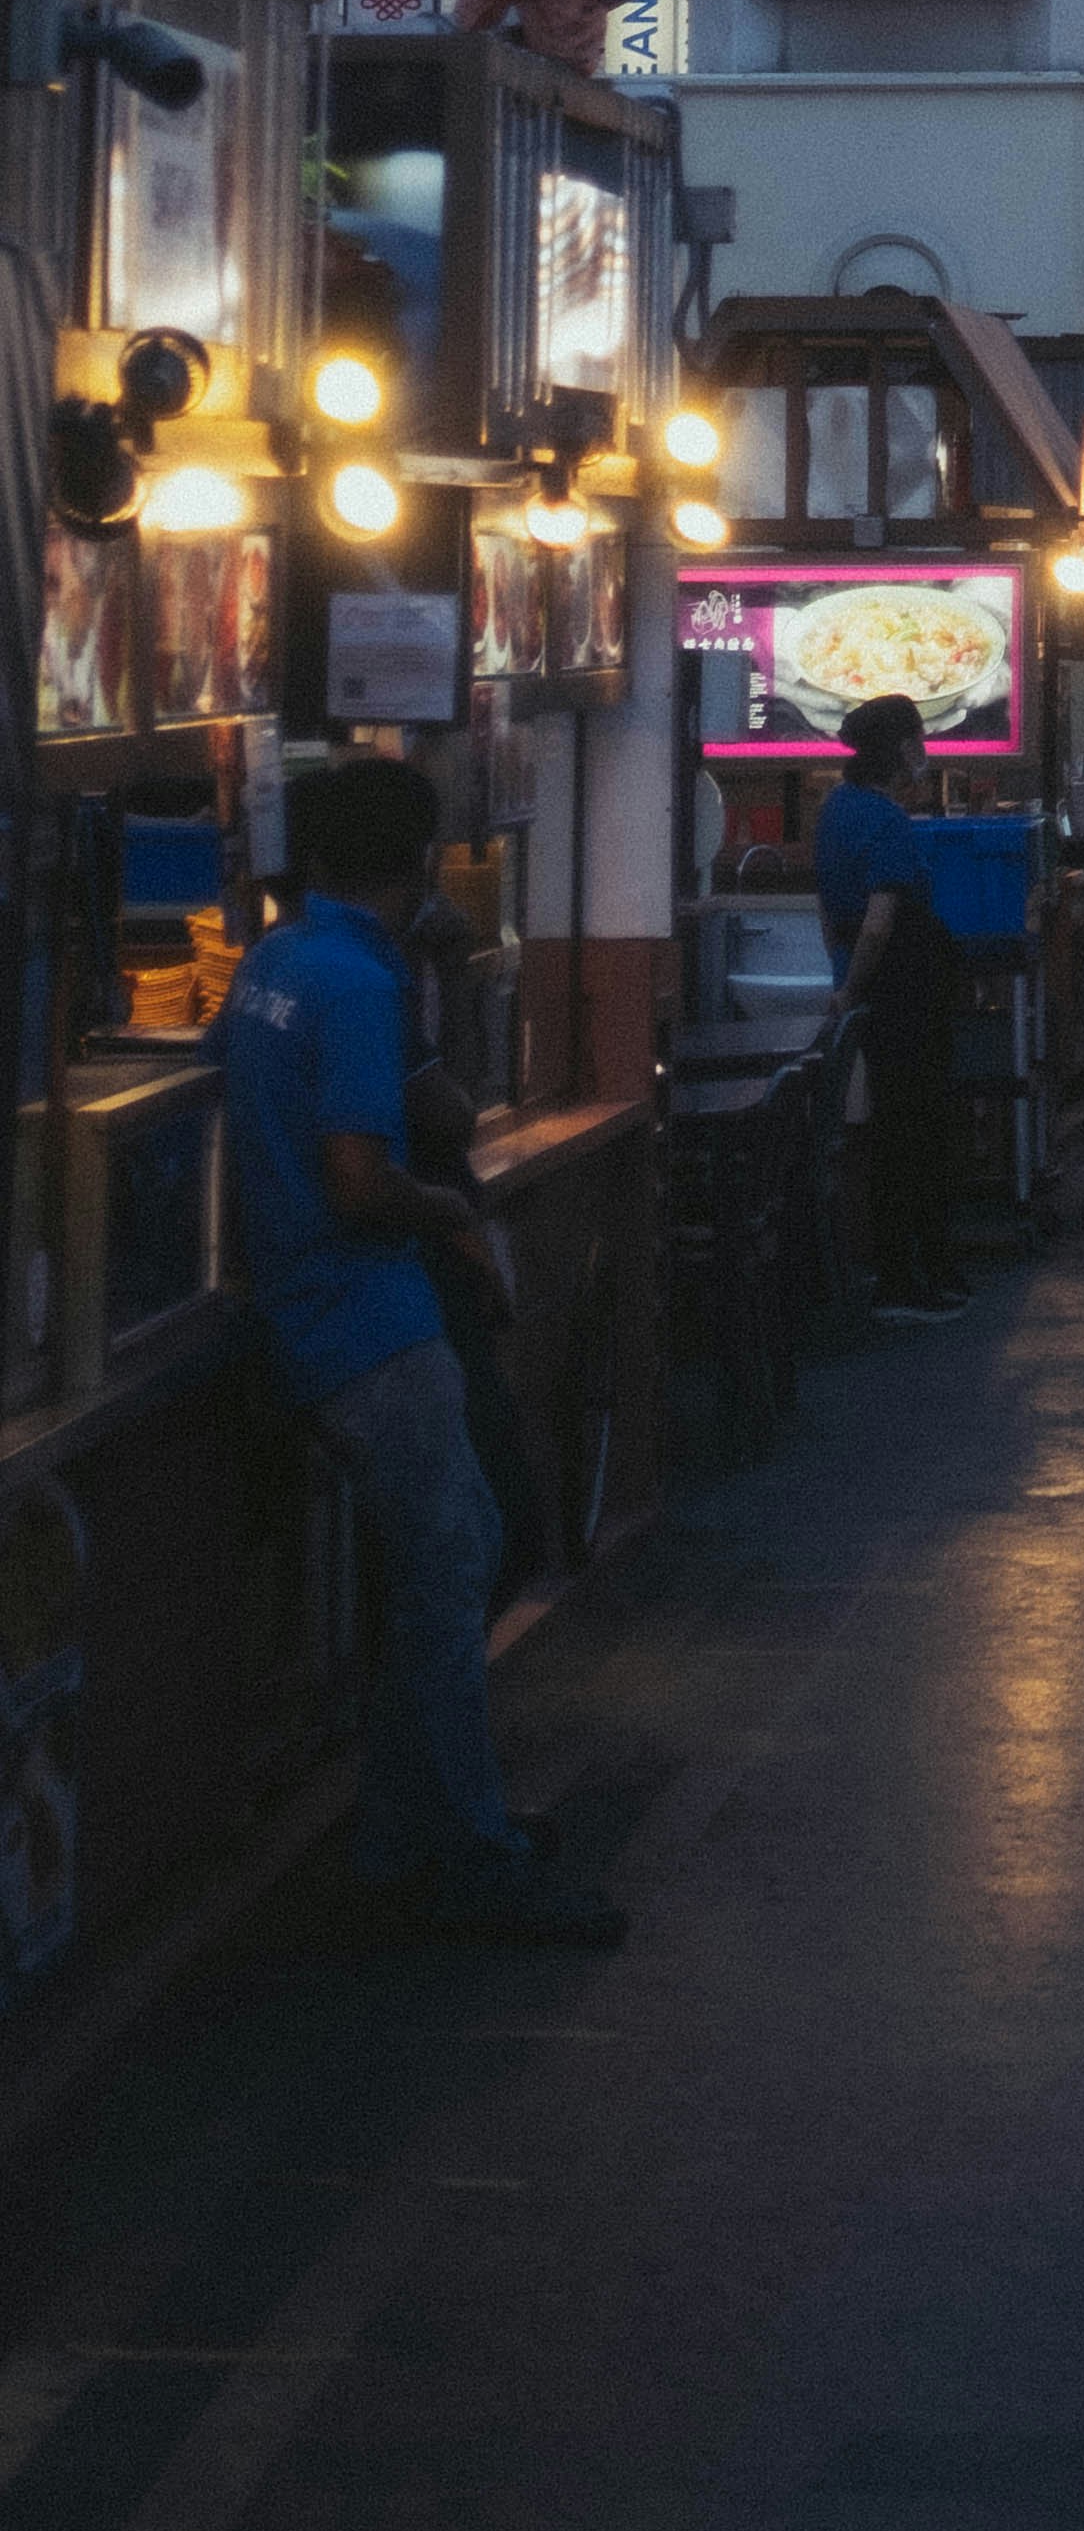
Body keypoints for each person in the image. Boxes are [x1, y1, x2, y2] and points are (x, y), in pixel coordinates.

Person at [221, 756, 622, 1950]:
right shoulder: (351, 980)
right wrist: (449, 1217)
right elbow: (357, 1176)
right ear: (423, 856)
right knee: (454, 1577)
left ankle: (407, 1833)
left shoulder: (274, 963)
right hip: (364, 1320)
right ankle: (474, 1854)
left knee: (465, 1556)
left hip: (303, 1307)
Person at [815, 694, 967, 1323]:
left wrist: (844, 983)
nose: (923, 749)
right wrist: (856, 986)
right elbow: (881, 922)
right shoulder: (886, 820)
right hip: (903, 985)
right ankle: (906, 1279)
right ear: (904, 749)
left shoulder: (834, 811)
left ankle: (913, 1268)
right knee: (917, 1128)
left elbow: (833, 915)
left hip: (869, 985)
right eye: (919, 738)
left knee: (893, 1125)